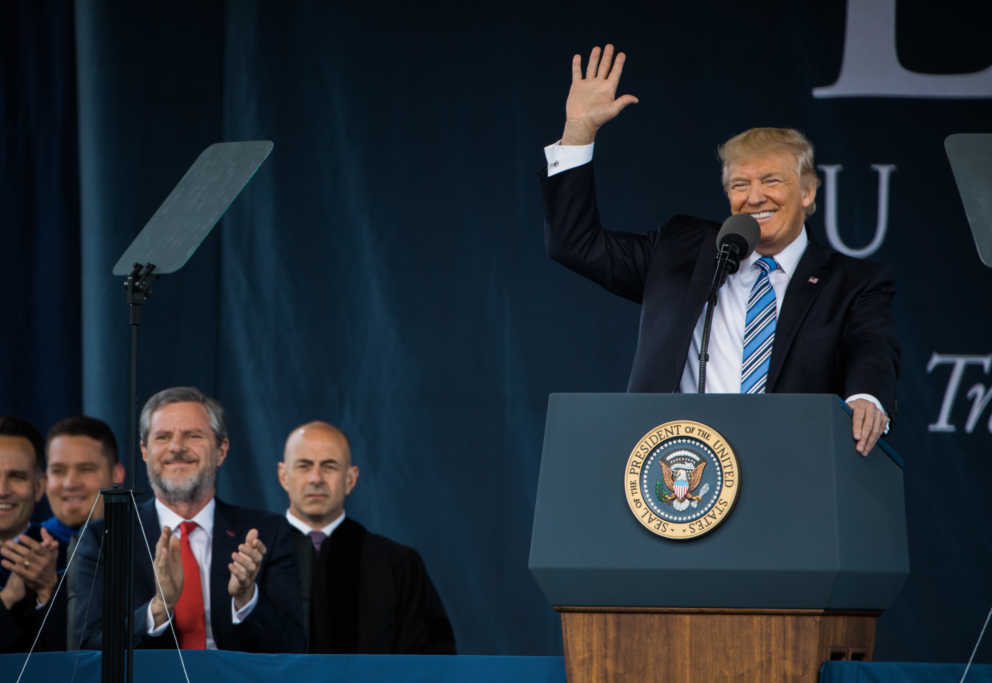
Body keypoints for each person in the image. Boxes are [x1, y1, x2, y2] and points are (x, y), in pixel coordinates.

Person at [541, 44, 899, 456]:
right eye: (739, 185)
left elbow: (872, 348)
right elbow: (574, 244)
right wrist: (578, 132)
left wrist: (866, 399)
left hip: (792, 468)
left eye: (772, 181)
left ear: (808, 191)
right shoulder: (681, 249)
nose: (755, 197)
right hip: (678, 474)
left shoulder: (852, 282)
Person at [69, 387, 302, 651]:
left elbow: (294, 646)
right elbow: (87, 648)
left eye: (193, 435)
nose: (177, 448)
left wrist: (246, 599)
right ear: (145, 451)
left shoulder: (266, 533)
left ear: (221, 450)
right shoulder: (104, 539)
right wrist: (158, 609)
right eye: (163, 437)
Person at [277, 421, 455, 653]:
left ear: (351, 479)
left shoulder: (398, 565)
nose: (316, 478)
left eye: (329, 466)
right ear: (283, 476)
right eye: (304, 466)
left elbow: (431, 658)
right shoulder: (252, 559)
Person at [0, 417, 64, 653]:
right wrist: (8, 597)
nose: (1, 490)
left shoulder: (69, 557)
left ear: (39, 487)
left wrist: (47, 592)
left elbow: (82, 658)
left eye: (17, 477)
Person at [41, 416, 126, 545]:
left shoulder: (150, 542)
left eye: (86, 469)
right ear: (45, 480)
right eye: (58, 471)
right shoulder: (21, 549)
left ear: (116, 475)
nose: (70, 483)